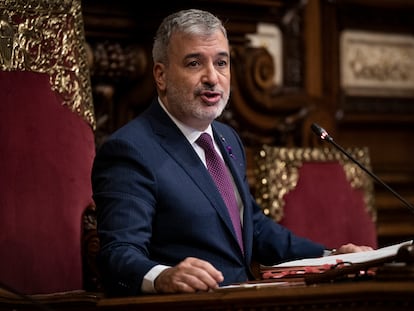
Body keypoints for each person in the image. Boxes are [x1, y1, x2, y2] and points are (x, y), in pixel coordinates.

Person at [91, 8, 373, 297]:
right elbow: (118, 254)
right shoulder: (130, 150)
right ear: (161, 76)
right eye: (194, 63)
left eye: (221, 63)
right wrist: (164, 276)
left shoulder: (227, 138)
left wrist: (332, 257)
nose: (212, 77)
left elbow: (253, 227)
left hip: (244, 299)